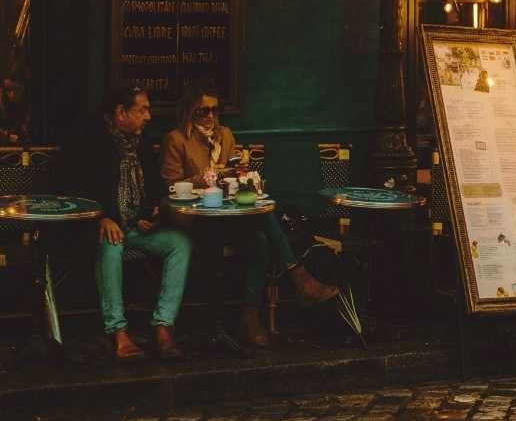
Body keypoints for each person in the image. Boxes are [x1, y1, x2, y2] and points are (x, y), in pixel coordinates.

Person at [161, 80, 337, 347]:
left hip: (227, 216)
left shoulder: (226, 135)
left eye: (214, 111)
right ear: (188, 112)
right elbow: (171, 187)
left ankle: (249, 316)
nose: (210, 117)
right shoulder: (176, 140)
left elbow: (233, 171)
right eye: (202, 111)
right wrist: (202, 179)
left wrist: (241, 174)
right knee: (262, 225)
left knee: (261, 239)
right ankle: (299, 278)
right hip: (195, 219)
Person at [57, 85, 190, 361]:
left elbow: (153, 190)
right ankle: (118, 332)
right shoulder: (88, 139)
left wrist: (151, 215)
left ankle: (164, 326)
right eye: (142, 110)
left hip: (134, 228)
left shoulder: (141, 142)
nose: (148, 116)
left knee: (180, 243)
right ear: (120, 113)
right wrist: (100, 217)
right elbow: (69, 188)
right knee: (112, 243)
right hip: (97, 229)